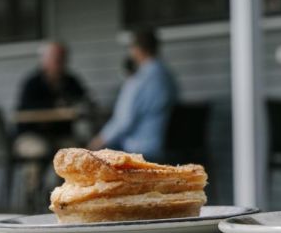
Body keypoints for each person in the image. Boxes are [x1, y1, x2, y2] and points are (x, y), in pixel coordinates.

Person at [90, 29, 178, 160]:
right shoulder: (168, 77)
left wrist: (97, 142)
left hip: (139, 151)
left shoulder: (139, 80)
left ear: (137, 50)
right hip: (164, 148)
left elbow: (124, 121)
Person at [15, 42, 88, 156]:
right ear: (44, 60)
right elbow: (25, 111)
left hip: (61, 135)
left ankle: (64, 174)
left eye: (62, 59)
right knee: (40, 151)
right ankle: (33, 174)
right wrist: (55, 106)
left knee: (77, 153)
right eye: (56, 59)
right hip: (31, 135)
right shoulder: (32, 83)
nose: (60, 63)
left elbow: (84, 99)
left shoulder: (70, 81)